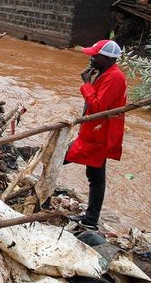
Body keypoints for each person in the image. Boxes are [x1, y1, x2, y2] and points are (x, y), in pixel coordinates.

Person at [65, 39, 127, 231]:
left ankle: (91, 221)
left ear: (107, 59)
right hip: (94, 131)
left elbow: (99, 106)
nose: (91, 58)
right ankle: (90, 220)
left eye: (95, 56)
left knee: (66, 159)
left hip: (100, 134)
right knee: (94, 174)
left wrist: (86, 84)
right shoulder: (105, 73)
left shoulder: (115, 77)